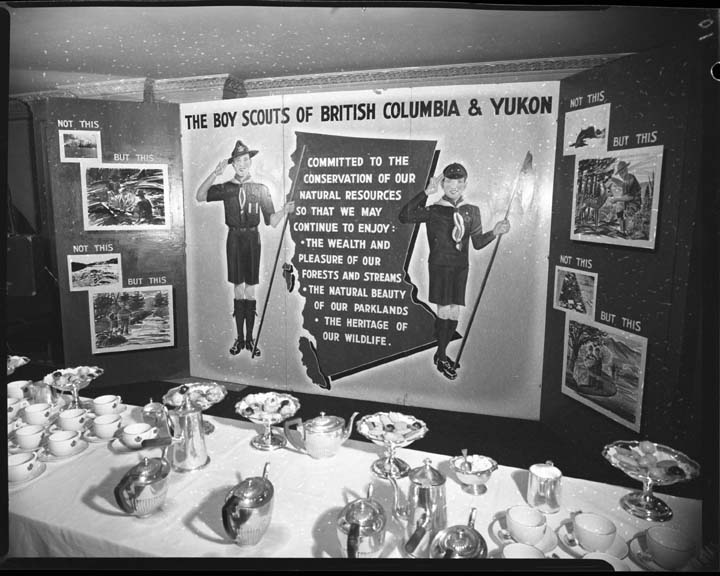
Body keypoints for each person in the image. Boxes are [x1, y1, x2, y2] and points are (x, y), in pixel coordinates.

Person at [399, 162, 510, 380]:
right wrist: (426, 193)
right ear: (443, 184)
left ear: (465, 184)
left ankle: (440, 354)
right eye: (449, 181)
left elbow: (477, 243)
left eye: (459, 182)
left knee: (454, 312)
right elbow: (405, 216)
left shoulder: (472, 211)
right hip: (440, 266)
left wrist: (494, 232)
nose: (454, 186)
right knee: (443, 312)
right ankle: (441, 357)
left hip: (460, 267)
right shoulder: (433, 210)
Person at [196, 139, 295, 357]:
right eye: (238, 161)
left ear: (250, 162)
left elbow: (272, 221)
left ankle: (250, 340)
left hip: (252, 239)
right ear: (232, 164)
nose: (242, 164)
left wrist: (284, 210)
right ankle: (239, 339)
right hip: (234, 238)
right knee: (238, 288)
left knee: (250, 289)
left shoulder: (260, 189)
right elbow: (200, 196)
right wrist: (215, 174)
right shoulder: (226, 188)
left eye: (245, 160)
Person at [606, 160, 641, 234]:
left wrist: (616, 199)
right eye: (620, 173)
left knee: (623, 209)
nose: (621, 174)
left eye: (622, 172)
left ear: (626, 170)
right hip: (628, 203)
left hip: (634, 204)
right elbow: (623, 189)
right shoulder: (626, 179)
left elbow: (630, 197)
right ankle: (623, 229)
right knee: (619, 207)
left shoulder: (629, 179)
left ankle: (626, 230)